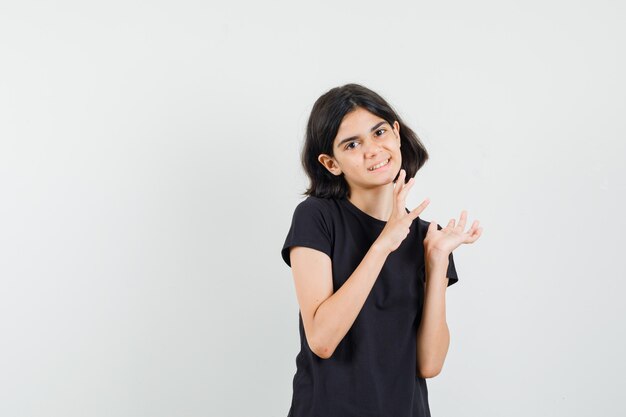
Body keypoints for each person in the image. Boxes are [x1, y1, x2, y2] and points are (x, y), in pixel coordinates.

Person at [280, 83, 483, 417]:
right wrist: (384, 244)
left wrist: (436, 263)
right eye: (352, 144)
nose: (373, 150)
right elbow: (323, 340)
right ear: (331, 163)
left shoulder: (426, 238)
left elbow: (429, 365)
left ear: (397, 134)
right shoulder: (316, 217)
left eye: (379, 132)